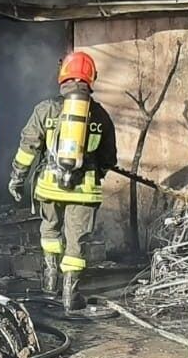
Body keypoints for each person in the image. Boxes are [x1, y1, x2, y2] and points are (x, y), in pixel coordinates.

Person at [7, 50, 117, 313]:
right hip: (84, 190)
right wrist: (95, 173)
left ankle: (49, 282)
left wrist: (17, 178)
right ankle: (71, 295)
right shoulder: (99, 115)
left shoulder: (46, 109)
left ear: (63, 77)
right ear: (91, 78)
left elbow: (27, 148)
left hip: (50, 186)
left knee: (50, 231)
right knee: (75, 241)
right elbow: (109, 157)